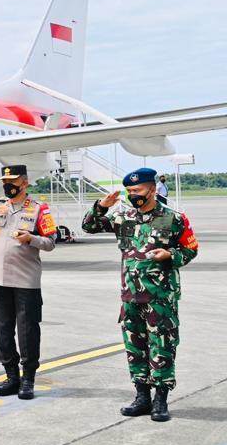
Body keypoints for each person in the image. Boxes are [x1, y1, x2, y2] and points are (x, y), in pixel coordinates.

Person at [81, 168, 198, 422]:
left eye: (138, 190)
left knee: (162, 347)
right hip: (130, 297)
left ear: (152, 190)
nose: (133, 195)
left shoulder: (173, 218)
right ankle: (142, 396)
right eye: (130, 191)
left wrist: (171, 256)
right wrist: (102, 206)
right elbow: (88, 226)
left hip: (160, 298)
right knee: (135, 348)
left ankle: (161, 400)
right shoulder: (123, 216)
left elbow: (190, 249)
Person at [0, 165, 57, 400]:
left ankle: (28, 379)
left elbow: (51, 242)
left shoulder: (39, 209)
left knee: (27, 332)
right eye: (5, 181)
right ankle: (11, 376)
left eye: (13, 181)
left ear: (24, 182)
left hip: (26, 281)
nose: (8, 185)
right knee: (2, 330)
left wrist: (32, 239)